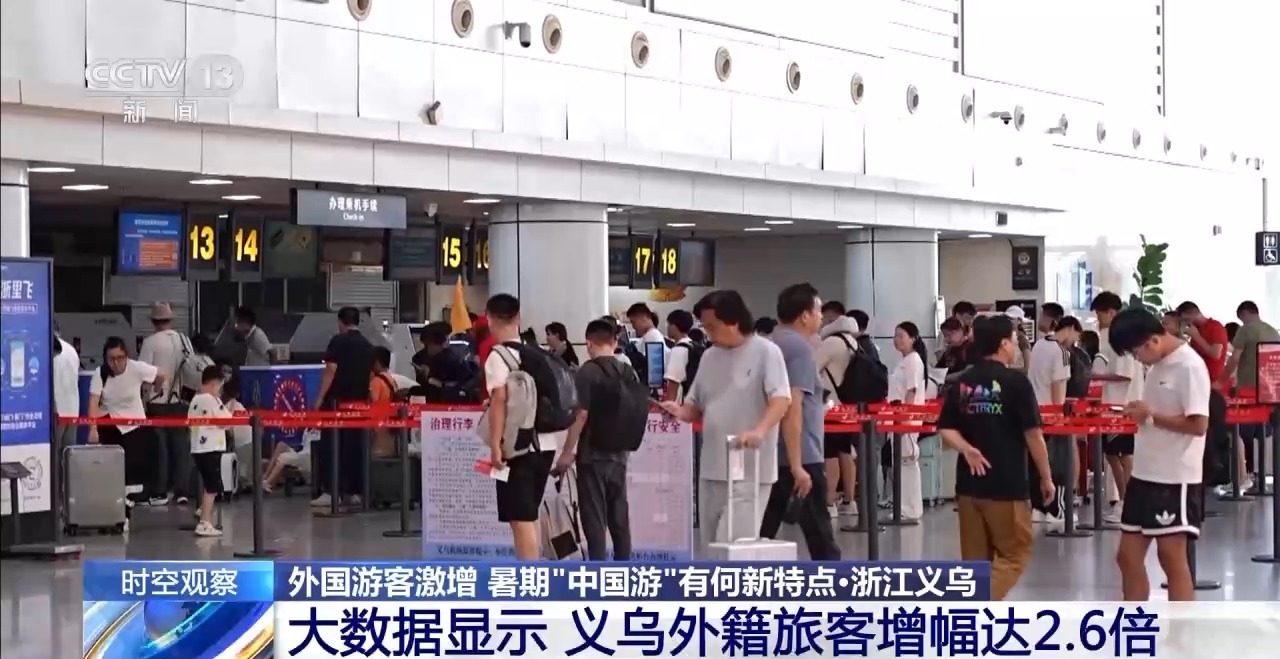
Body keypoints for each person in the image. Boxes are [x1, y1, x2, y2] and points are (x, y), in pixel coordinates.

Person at [659, 290, 791, 547]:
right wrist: (678, 411)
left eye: (712, 327)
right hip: (712, 465)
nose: (708, 334)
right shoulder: (710, 356)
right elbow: (696, 405)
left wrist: (760, 430)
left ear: (734, 321)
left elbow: (781, 399)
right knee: (711, 544)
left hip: (750, 468)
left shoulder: (766, 352)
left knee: (733, 545)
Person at [936, 315, 1055, 600]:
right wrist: (1047, 477)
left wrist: (966, 449)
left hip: (968, 486)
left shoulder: (964, 381)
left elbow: (946, 428)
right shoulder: (1016, 383)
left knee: (976, 564)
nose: (1015, 346)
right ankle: (974, 606)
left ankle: (974, 617)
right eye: (1013, 340)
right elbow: (1033, 435)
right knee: (1015, 554)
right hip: (1006, 484)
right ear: (1003, 344)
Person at [1107, 308, 1210, 602]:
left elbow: (1199, 424)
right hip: (1144, 474)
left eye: (1135, 352)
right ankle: (1135, 622)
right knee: (1127, 556)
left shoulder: (1189, 366)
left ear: (1152, 340)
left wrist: (1151, 416)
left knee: (1171, 556)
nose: (1136, 358)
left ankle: (1181, 627)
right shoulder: (1157, 365)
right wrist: (1142, 413)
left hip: (1174, 477)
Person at [759, 284, 840, 560]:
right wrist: (797, 465)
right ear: (804, 315)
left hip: (773, 453)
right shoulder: (799, 349)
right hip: (802, 455)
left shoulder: (770, 344)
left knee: (761, 533)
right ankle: (835, 585)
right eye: (818, 311)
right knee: (822, 541)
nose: (821, 316)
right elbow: (792, 407)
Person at [555, 319, 643, 560]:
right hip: (620, 452)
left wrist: (567, 452)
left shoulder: (587, 372)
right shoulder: (627, 370)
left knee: (594, 517)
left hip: (592, 454)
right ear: (614, 342)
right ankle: (623, 566)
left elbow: (581, 415)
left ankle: (597, 569)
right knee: (619, 514)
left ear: (588, 344)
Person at [483, 293, 557, 560]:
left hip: (519, 448)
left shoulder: (498, 356)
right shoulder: (536, 353)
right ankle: (533, 569)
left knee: (519, 518)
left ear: (489, 319)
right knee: (529, 513)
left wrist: (495, 446)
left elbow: (499, 400)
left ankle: (529, 578)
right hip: (546, 444)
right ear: (518, 318)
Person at [88, 337, 165, 532]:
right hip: (111, 426)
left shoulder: (137, 368)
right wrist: (93, 428)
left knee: (132, 474)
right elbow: (93, 402)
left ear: (126, 356)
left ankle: (125, 513)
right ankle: (112, 514)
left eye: (120, 358)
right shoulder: (100, 373)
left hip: (134, 427)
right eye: (111, 359)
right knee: (111, 473)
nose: (115, 363)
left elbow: (161, 374)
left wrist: (155, 388)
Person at [1090, 292, 1145, 523]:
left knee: (1122, 457)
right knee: (1114, 456)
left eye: (1100, 314)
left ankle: (1128, 503)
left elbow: (1124, 375)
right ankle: (1126, 502)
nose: (1098, 319)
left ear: (1111, 312)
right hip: (1114, 408)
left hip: (1120, 409)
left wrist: (1097, 376)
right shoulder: (1117, 338)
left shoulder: (1121, 340)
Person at [312, 306, 375, 508]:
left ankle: (331, 492)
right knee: (355, 447)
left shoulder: (338, 341)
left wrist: (319, 400)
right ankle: (355, 492)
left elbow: (331, 370)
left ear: (340, 321)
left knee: (331, 446)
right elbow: (370, 376)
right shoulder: (368, 345)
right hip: (359, 406)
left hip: (336, 403)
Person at [138, 302, 195, 506]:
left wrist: (143, 400)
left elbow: (144, 375)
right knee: (180, 446)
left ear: (154, 322)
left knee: (159, 448)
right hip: (181, 400)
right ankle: (182, 490)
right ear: (170, 320)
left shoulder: (150, 343)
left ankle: (160, 490)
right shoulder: (184, 341)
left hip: (158, 401)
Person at [1219, 300, 1278, 487]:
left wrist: (1221, 380)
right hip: (1269, 390)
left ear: (1245, 313)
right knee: (1260, 434)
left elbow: (1234, 359)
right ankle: (1257, 477)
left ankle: (1243, 477)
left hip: (1248, 390)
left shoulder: (1246, 330)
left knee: (1239, 432)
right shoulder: (1273, 331)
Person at [1026, 302, 1073, 528]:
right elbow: (1058, 390)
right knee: (1057, 464)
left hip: (1033, 412)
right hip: (1051, 416)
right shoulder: (1060, 352)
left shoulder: (1037, 346)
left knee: (1036, 462)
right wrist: (1059, 416)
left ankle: (1037, 507)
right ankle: (1055, 509)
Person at [816, 308, 863, 519]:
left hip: (830, 406)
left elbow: (811, 368)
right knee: (845, 452)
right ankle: (849, 501)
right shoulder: (853, 342)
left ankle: (829, 502)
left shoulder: (831, 343)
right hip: (848, 406)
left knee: (830, 454)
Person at [888, 321, 929, 521]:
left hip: (906, 420)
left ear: (913, 339)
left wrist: (904, 417)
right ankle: (904, 507)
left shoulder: (913, 361)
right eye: (895, 335)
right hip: (897, 419)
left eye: (901, 336)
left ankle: (910, 509)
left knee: (908, 462)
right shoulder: (904, 361)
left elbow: (911, 391)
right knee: (901, 463)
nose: (897, 340)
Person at [187, 365, 232, 537]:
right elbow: (226, 421)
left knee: (209, 483)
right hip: (211, 448)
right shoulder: (211, 400)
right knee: (213, 485)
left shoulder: (195, 400)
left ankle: (203, 511)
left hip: (198, 448)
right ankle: (204, 522)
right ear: (215, 383)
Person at [53, 324, 80, 456]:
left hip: (56, 411)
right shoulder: (72, 350)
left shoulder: (49, 349)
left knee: (55, 454)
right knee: (69, 455)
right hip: (72, 409)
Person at [663, 309, 701, 402]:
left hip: (682, 403)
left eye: (668, 324)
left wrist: (666, 406)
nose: (667, 328)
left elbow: (673, 386)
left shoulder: (678, 350)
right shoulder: (692, 345)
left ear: (674, 326)